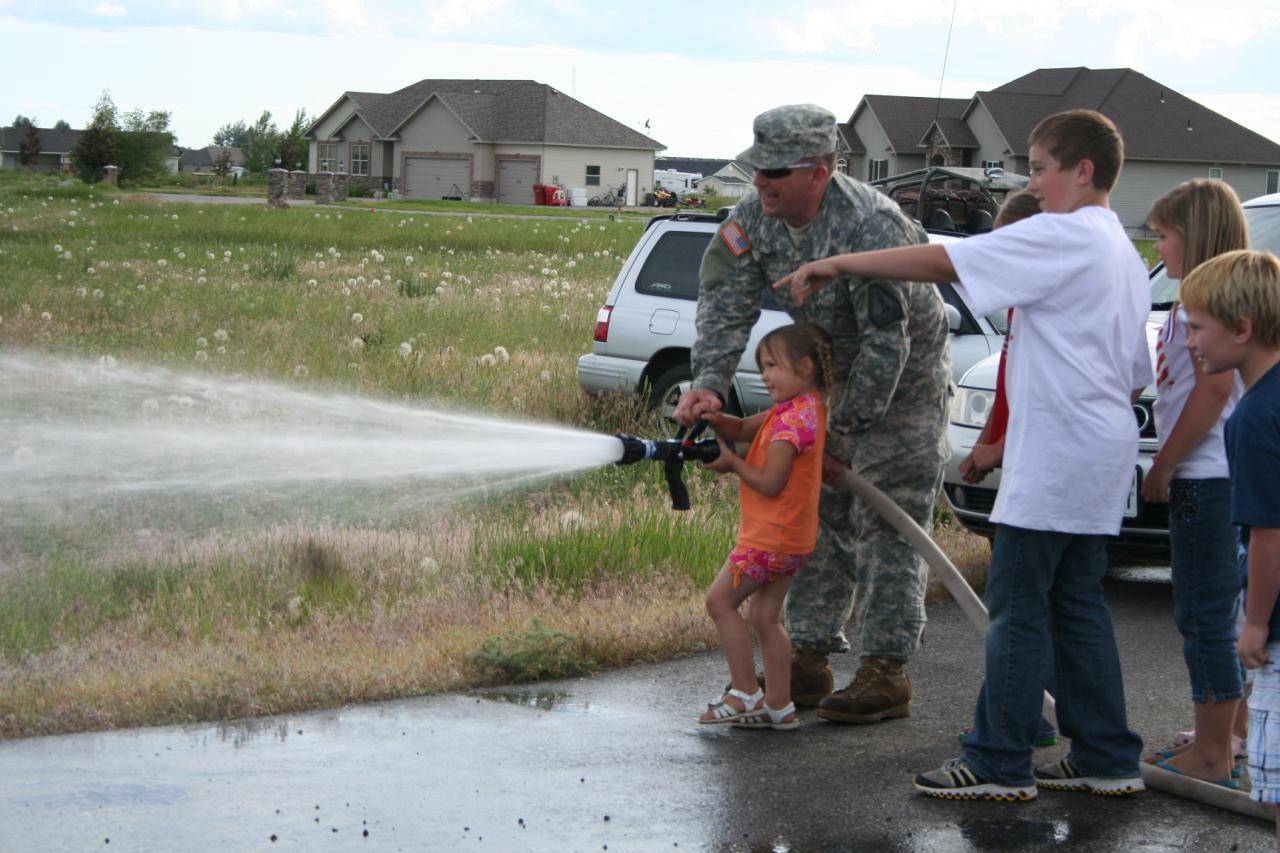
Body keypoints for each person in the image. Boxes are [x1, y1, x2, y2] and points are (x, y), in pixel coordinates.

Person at [776, 109, 1152, 800]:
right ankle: (1106, 753)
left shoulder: (1064, 235)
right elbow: (1133, 372)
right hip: (1100, 455)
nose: (1033, 185)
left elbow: (942, 258)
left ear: (1083, 170)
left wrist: (837, 261)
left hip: (1058, 458)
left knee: (1018, 608)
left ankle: (998, 760)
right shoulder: (1121, 250)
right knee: (1076, 605)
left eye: (1040, 167)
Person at [674, 104, 951, 727]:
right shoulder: (753, 220)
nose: (760, 183)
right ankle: (808, 656)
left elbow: (889, 342)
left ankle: (886, 669)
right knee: (813, 516)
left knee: (887, 521)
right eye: (756, 170)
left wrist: (842, 439)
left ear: (819, 172)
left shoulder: (871, 224)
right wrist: (711, 386)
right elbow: (724, 302)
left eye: (774, 172)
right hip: (821, 384)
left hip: (902, 385)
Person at [1139, 180, 1249, 787]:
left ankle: (1212, 756)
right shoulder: (1207, 300)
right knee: (1224, 614)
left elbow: (1211, 391)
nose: (1157, 248)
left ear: (1196, 234)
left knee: (1204, 614)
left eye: (1163, 235)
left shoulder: (1202, 304)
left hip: (1207, 477)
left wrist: (1165, 462)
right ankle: (1225, 735)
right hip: (1225, 476)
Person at [1178, 250, 1280, 835]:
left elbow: (1270, 532)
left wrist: (1256, 624)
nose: (1189, 340)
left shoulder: (1255, 417)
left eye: (1197, 327)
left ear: (1242, 329)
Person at [697, 323, 833, 730]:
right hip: (793, 539)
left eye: (773, 365)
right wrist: (715, 417)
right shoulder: (799, 409)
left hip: (768, 539)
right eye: (762, 367)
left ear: (805, 366)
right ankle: (779, 705)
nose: (765, 375)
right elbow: (739, 430)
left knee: (719, 602)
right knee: (765, 616)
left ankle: (744, 693)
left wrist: (732, 464)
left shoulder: (793, 424)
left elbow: (771, 482)